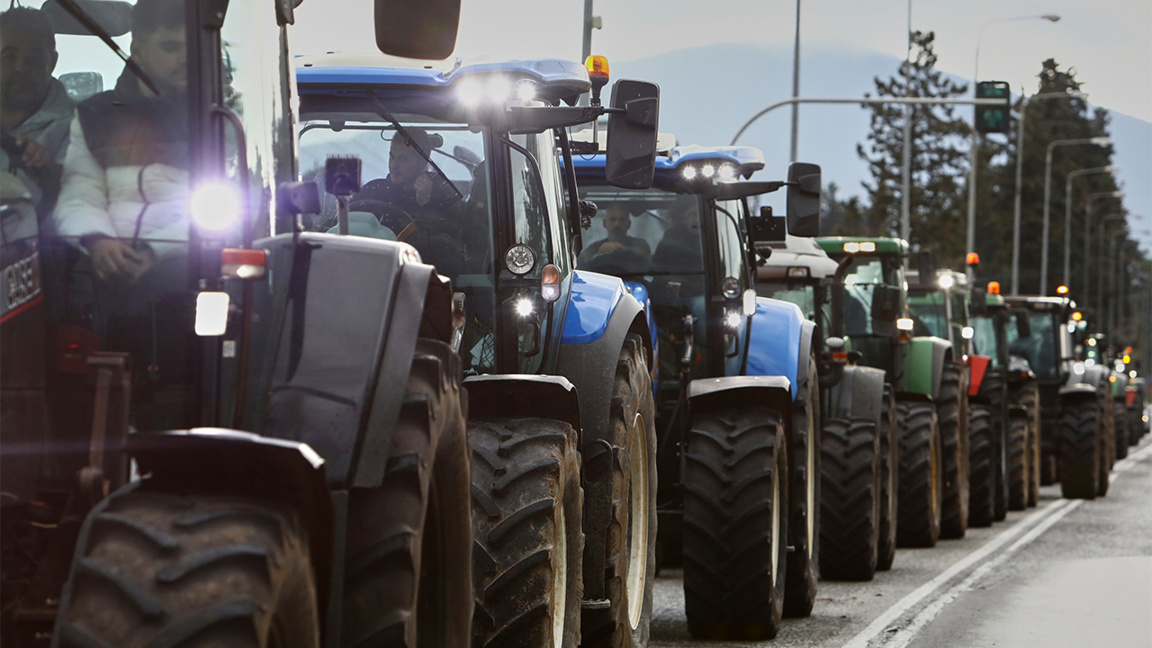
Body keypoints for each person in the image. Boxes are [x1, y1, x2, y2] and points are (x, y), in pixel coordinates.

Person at [52, 0, 189, 286]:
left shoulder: (216, 117)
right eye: (171, 47)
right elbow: (79, 194)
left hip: (188, 272)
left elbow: (227, 209)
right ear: (138, 51)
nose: (185, 58)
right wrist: (98, 241)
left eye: (192, 48)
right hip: (102, 275)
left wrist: (153, 252)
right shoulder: (95, 115)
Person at [354, 127, 470, 275]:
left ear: (423, 162)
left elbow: (450, 253)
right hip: (368, 271)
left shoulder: (443, 196)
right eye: (392, 157)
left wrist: (425, 206)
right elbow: (343, 222)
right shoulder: (373, 190)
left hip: (422, 277)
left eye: (403, 159)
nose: (394, 166)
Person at [0, 6, 74, 216]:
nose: (21, 67)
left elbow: (80, 202)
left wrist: (46, 170)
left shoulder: (77, 129)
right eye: (9, 56)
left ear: (52, 63)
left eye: (34, 58)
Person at [580, 203, 651, 265]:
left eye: (622, 220)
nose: (617, 224)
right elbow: (580, 263)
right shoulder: (595, 248)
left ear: (629, 224)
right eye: (612, 219)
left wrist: (623, 248)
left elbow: (648, 258)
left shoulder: (639, 244)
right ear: (605, 223)